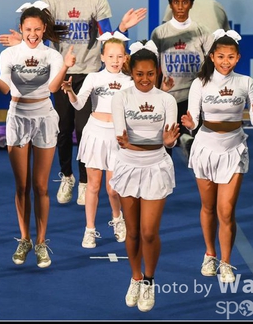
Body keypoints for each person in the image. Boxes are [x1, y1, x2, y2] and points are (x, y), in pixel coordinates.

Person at [0, 0, 147, 205]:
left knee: (84, 129)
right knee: (63, 129)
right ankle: (66, 176)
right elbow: (40, 35)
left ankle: (84, 182)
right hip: (61, 73)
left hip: (89, 72)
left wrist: (122, 28)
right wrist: (21, 44)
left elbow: (106, 36)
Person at [0, 1, 75, 269]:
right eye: (28, 29)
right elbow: (5, 89)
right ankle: (24, 239)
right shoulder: (9, 55)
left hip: (44, 117)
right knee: (21, 186)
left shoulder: (53, 56)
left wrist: (66, 66)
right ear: (21, 29)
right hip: (17, 118)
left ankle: (41, 243)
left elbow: (54, 89)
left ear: (44, 29)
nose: (32, 34)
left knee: (41, 186)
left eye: (37, 29)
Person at [181, 29, 253, 284]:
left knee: (226, 211)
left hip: (234, 148)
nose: (225, 61)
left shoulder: (246, 82)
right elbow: (194, 120)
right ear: (212, 57)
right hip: (205, 148)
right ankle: (210, 254)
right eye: (221, 56)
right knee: (208, 207)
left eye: (230, 57)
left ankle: (227, 262)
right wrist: (189, 123)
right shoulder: (200, 83)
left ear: (238, 58)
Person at [109, 40, 179, 313]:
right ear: (131, 72)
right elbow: (121, 138)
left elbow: (170, 140)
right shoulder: (121, 98)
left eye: (150, 73)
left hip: (156, 167)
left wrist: (166, 142)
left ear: (157, 72)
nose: (145, 79)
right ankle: (135, 277)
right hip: (128, 167)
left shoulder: (167, 100)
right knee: (133, 231)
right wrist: (154, 142)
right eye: (139, 74)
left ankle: (149, 280)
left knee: (149, 232)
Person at [60, 32, 133, 248]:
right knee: (93, 186)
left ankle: (117, 219)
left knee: (113, 189)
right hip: (95, 133)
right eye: (110, 56)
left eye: (119, 56)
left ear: (125, 57)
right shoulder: (93, 78)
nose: (115, 61)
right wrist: (70, 91)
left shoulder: (130, 82)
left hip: (117, 136)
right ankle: (90, 230)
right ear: (102, 57)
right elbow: (78, 104)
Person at [151, 0, 214, 157]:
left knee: (200, 150)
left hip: (195, 97)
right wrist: (155, 95)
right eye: (176, 2)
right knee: (165, 150)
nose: (180, 7)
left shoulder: (202, 31)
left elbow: (212, 64)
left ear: (191, 4)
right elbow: (154, 68)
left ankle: (187, 142)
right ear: (170, 4)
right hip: (168, 97)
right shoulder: (159, 33)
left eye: (184, 2)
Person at [161, 0, 230, 32]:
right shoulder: (217, 6)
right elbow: (227, 35)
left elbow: (164, 29)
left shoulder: (176, 4)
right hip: (212, 45)